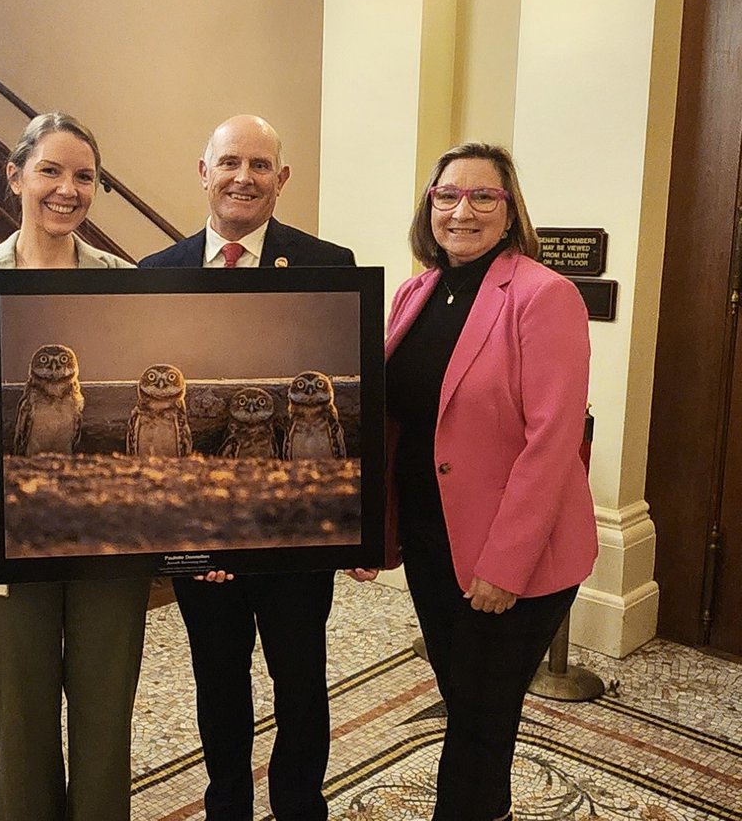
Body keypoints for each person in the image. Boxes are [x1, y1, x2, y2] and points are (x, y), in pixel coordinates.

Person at [0, 112, 151, 821]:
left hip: (103, 530)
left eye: (84, 176)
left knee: (105, 710)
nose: (67, 188)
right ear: (16, 176)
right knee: (20, 718)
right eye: (51, 171)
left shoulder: (122, 280)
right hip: (0, 527)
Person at [368, 142, 598, 821]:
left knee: (481, 719)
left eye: (482, 197)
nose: (460, 210)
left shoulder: (543, 295)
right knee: (468, 704)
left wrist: (505, 563)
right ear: (429, 205)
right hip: (431, 539)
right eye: (447, 195)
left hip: (513, 557)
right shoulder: (416, 291)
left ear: (509, 208)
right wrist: (369, 526)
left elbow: (553, 441)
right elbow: (399, 423)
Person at [139, 114, 355, 821]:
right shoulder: (154, 276)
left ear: (281, 179)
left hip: (294, 533)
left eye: (260, 165)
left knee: (301, 681)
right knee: (219, 680)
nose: (243, 178)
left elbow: (347, 392)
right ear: (203, 173)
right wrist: (180, 532)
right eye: (229, 163)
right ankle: (226, 803)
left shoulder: (331, 265)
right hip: (202, 533)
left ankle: (299, 806)